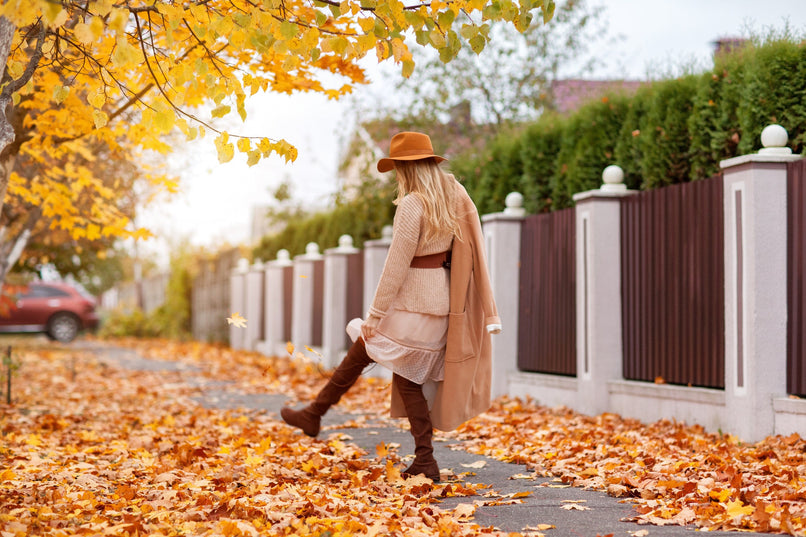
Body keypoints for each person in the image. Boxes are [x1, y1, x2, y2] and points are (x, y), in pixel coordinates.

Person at [280, 131, 501, 482]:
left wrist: (376, 314)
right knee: (402, 375)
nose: (397, 174)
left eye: (398, 168)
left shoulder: (414, 204)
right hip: (440, 305)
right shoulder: (453, 196)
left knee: (369, 347)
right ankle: (419, 458)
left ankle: (317, 413)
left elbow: (396, 265)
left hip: (412, 306)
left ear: (404, 168)